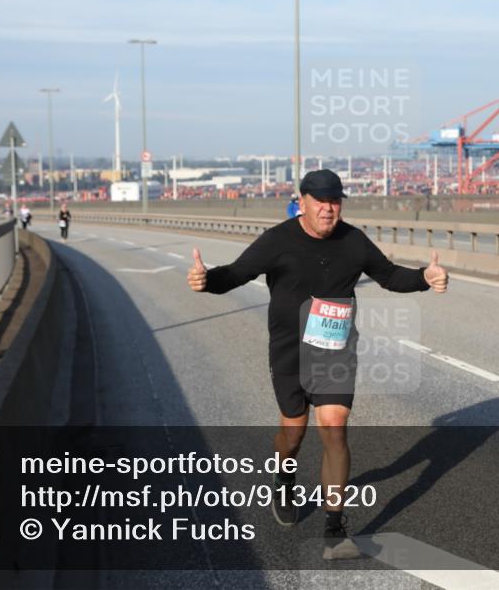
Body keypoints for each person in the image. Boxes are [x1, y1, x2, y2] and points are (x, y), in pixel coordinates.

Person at [187, 169, 448, 560]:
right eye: (321, 202)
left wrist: (425, 278)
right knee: (293, 432)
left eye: (335, 202)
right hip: (290, 353)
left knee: (334, 425)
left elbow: (389, 276)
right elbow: (237, 273)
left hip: (334, 352)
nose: (329, 210)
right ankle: (285, 475)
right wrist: (206, 280)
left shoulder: (354, 241)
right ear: (303, 201)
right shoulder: (278, 241)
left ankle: (334, 529)